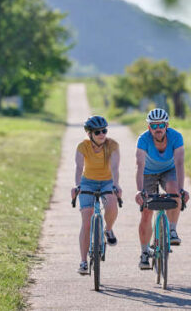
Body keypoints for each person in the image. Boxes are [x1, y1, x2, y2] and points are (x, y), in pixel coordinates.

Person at [134, 108, 190, 270]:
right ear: (148, 127)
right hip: (148, 173)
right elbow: (139, 165)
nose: (157, 128)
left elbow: (179, 163)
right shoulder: (143, 140)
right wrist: (139, 191)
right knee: (146, 212)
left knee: (174, 190)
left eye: (161, 125)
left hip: (169, 170)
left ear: (167, 125)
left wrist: (181, 189)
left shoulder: (176, 137)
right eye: (153, 125)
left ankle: (172, 230)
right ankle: (145, 253)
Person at [71, 115, 122, 275]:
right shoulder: (82, 146)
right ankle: (83, 262)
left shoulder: (112, 145)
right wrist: (78, 185)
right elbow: (79, 167)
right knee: (86, 222)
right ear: (89, 134)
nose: (102, 134)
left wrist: (116, 184)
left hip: (108, 181)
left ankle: (109, 230)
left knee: (112, 206)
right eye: (98, 132)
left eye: (104, 130)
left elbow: (115, 167)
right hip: (87, 182)